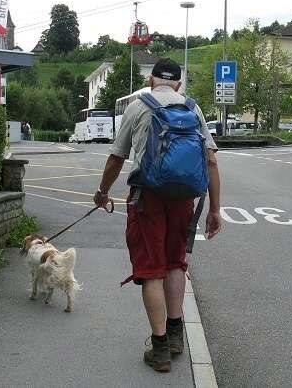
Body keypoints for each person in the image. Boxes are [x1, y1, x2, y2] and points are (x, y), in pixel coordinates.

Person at [93, 58, 222, 373]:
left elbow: (115, 158)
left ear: (152, 81)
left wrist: (102, 192)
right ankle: (177, 336)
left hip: (147, 198)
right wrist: (215, 209)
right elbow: (211, 162)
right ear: (178, 84)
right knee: (176, 262)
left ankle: (160, 347)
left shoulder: (138, 107)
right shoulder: (193, 108)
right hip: (183, 199)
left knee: (151, 270)